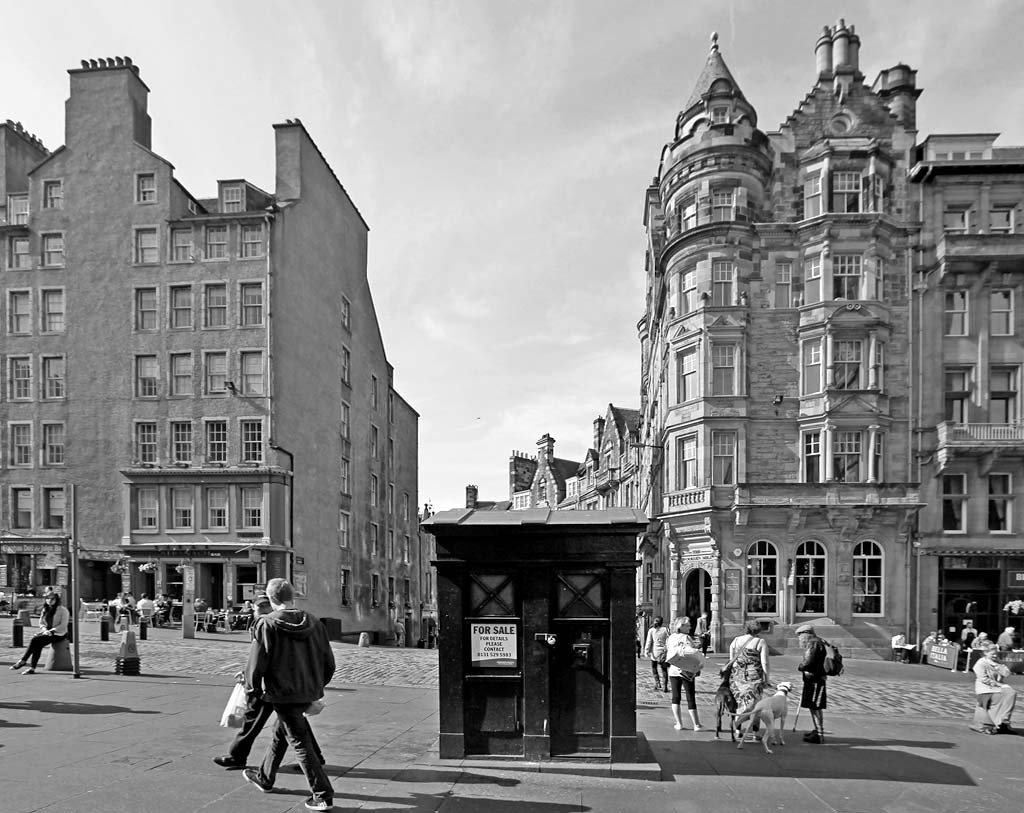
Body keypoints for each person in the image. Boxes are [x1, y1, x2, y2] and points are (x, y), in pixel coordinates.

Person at [241, 578, 335, 811]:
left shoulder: (266, 624)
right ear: (293, 597)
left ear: (272, 599)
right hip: (307, 688)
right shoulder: (314, 621)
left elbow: (257, 662)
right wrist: (316, 686)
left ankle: (322, 794)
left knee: (300, 742)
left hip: (282, 691)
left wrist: (251, 688)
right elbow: (329, 662)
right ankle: (265, 777)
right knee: (280, 732)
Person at [214, 593, 326, 770]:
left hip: (271, 683)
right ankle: (311, 759)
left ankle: (244, 760)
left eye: (262, 607)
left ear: (271, 605)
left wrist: (252, 683)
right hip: (285, 682)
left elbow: (264, 657)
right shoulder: (276, 622)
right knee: (292, 722)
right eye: (258, 607)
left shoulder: (268, 624)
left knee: (262, 720)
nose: (258, 610)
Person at [10, 592, 69, 675]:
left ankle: (23, 661)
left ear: (56, 600)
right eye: (48, 599)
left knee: (35, 640)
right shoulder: (45, 609)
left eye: (52, 599)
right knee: (38, 644)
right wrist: (45, 630)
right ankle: (31, 668)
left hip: (59, 634)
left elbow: (63, 625)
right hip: (46, 632)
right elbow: (41, 623)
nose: (50, 601)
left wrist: (51, 631)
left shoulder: (63, 610)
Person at [729, 619, 770, 728]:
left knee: (740, 701)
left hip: (738, 675)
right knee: (756, 703)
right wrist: (767, 678)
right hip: (754, 676)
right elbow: (765, 662)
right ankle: (755, 731)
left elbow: (731, 660)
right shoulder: (760, 642)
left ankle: (738, 729)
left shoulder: (736, 640)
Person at [970, 641, 1017, 735]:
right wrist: (1000, 685)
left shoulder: (997, 662)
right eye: (992, 654)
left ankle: (1004, 721)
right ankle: (998, 721)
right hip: (985, 688)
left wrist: (999, 665)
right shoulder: (981, 663)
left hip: (997, 687)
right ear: (985, 653)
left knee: (1011, 693)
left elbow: (1007, 674)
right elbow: (984, 679)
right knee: (1002, 696)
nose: (995, 656)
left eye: (996, 654)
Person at [666, 617, 704, 732]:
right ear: (680, 626)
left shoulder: (671, 637)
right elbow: (690, 653)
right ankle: (696, 724)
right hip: (686, 670)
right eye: (687, 625)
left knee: (676, 697)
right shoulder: (686, 637)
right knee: (690, 696)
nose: (690, 627)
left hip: (673, 669)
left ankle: (679, 723)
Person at [796, 623, 827, 743]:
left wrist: (800, 667)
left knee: (814, 706)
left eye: (800, 635)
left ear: (806, 634)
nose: (799, 639)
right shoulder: (819, 641)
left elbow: (808, 662)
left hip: (814, 679)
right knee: (815, 706)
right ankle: (818, 730)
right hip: (818, 678)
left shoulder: (813, 643)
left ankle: (819, 734)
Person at [642, 616, 670, 692]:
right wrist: (667, 649)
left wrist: (646, 651)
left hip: (655, 652)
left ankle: (657, 683)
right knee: (664, 669)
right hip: (663, 652)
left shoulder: (651, 630)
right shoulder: (665, 629)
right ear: (662, 622)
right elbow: (668, 640)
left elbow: (649, 641)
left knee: (654, 667)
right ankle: (665, 686)